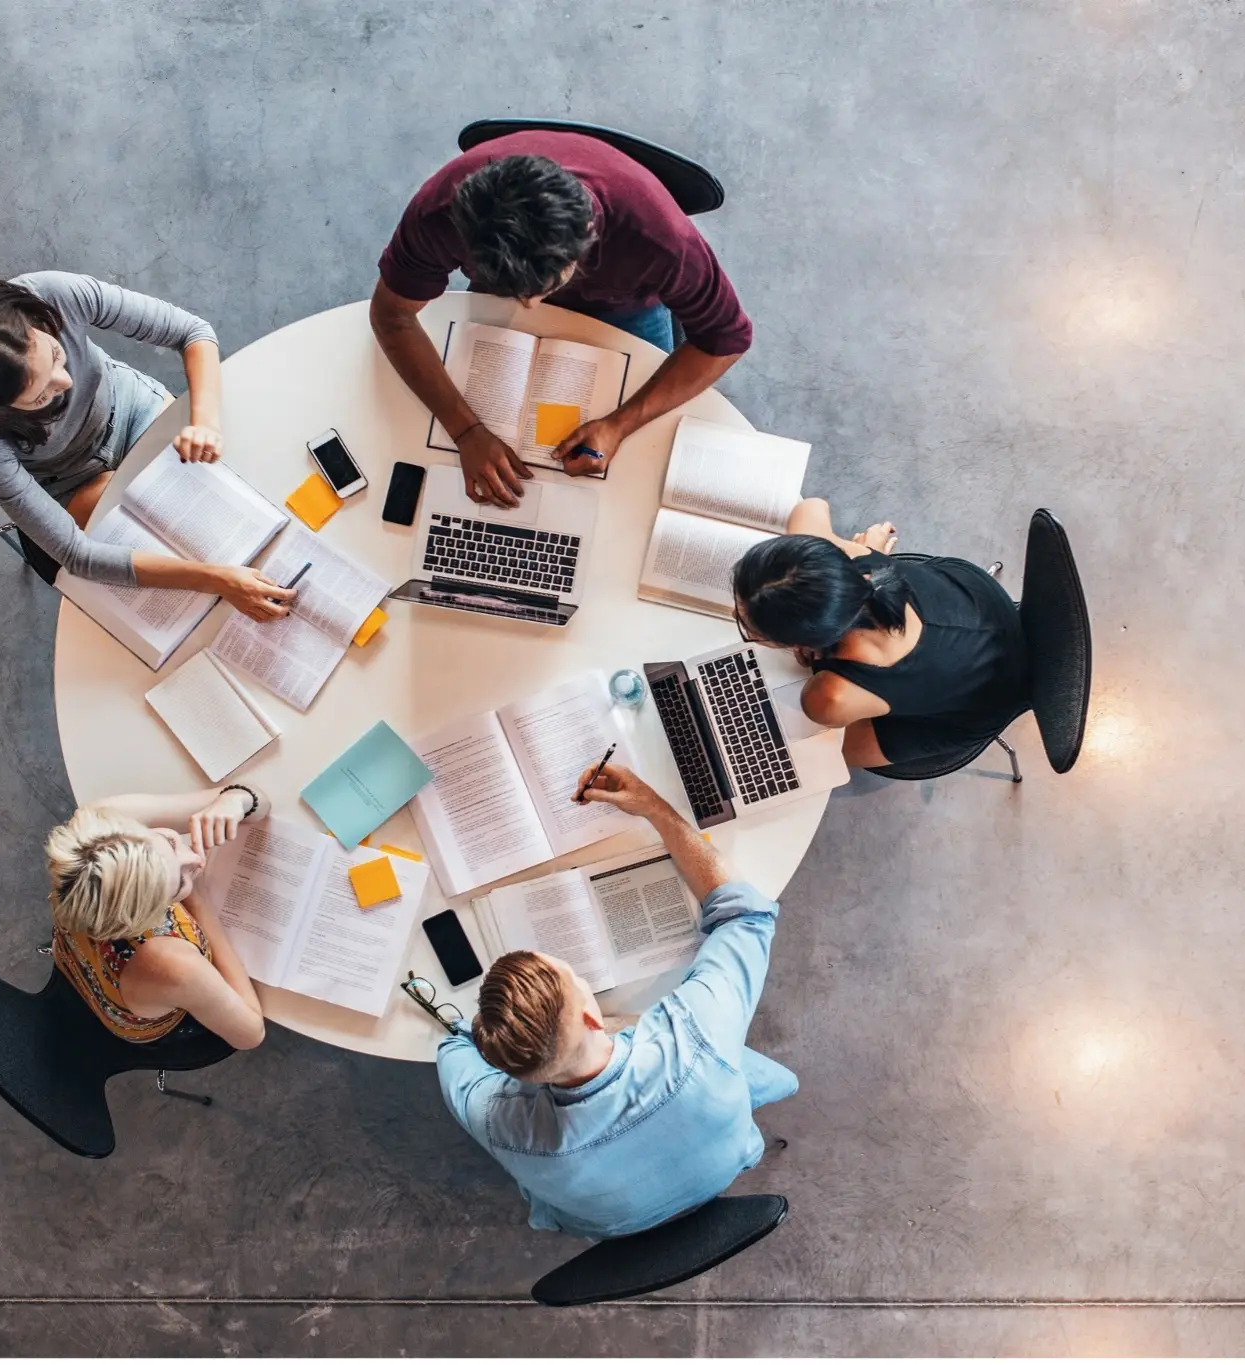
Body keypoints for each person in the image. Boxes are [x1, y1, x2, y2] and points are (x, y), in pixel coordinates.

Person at [434, 763, 796, 1239]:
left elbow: (453, 1051)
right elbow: (746, 916)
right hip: (725, 1161)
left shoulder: (502, 1125)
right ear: (591, 1015)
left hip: (610, 1226)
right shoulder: (694, 1039)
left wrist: (482, 1032)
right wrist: (654, 807)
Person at [371, 131, 753, 508]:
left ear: (588, 238)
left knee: (637, 464)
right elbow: (392, 316)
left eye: (542, 288)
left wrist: (620, 424)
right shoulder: (440, 211)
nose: (530, 308)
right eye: (517, 294)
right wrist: (466, 430)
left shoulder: (660, 240)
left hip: (627, 305)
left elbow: (726, 339)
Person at [0, 272, 296, 622]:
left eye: (56, 354)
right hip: (69, 480)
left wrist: (205, 422)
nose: (65, 382)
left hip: (134, 411)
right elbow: (77, 554)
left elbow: (192, 332)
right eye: (39, 396)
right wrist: (216, 580)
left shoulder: (51, 293)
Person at [732, 498, 1031, 771]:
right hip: (980, 605)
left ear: (801, 643)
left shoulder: (828, 697)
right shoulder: (849, 557)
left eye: (748, 629)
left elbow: (827, 711)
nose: (735, 615)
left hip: (982, 705)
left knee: (819, 755)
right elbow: (810, 507)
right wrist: (864, 552)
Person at [44, 783, 268, 1051]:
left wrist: (235, 801)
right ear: (148, 917)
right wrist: (199, 900)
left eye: (170, 842)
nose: (195, 860)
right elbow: (251, 1033)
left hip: (75, 954)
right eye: (178, 884)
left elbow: (257, 800)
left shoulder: (105, 821)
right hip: (141, 1020)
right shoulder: (171, 963)